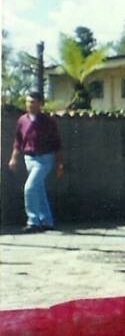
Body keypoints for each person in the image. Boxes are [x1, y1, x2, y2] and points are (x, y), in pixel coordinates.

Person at [7, 91, 63, 232]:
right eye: (27, 102)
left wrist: (59, 164)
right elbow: (18, 141)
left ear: (40, 104)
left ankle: (33, 222)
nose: (29, 105)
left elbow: (57, 143)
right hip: (29, 158)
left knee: (30, 187)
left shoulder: (48, 121)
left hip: (45, 159)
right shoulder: (22, 120)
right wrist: (14, 158)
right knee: (39, 189)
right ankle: (47, 221)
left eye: (32, 102)